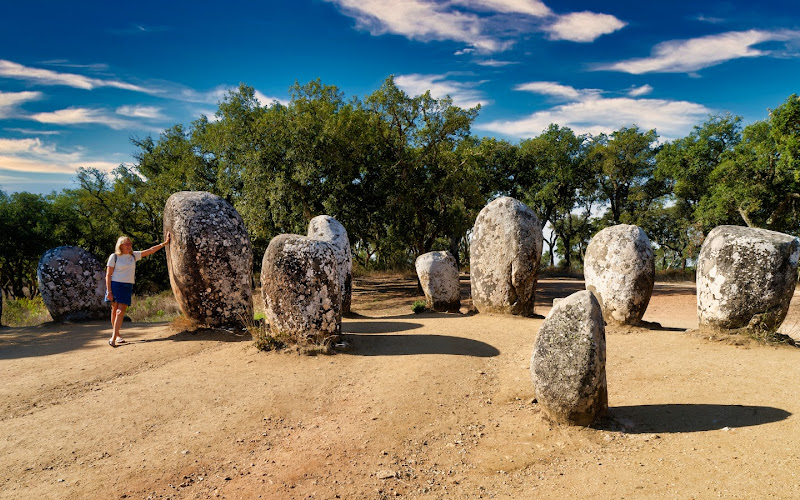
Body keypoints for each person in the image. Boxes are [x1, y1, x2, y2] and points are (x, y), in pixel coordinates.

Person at [106, 233, 171, 347]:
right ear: (120, 245)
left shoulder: (133, 256)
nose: (129, 245)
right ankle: (118, 335)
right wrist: (109, 291)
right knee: (114, 311)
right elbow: (108, 275)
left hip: (127, 286)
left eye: (130, 243)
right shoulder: (114, 257)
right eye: (127, 244)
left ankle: (113, 337)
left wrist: (164, 243)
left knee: (120, 312)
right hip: (115, 285)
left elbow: (150, 250)